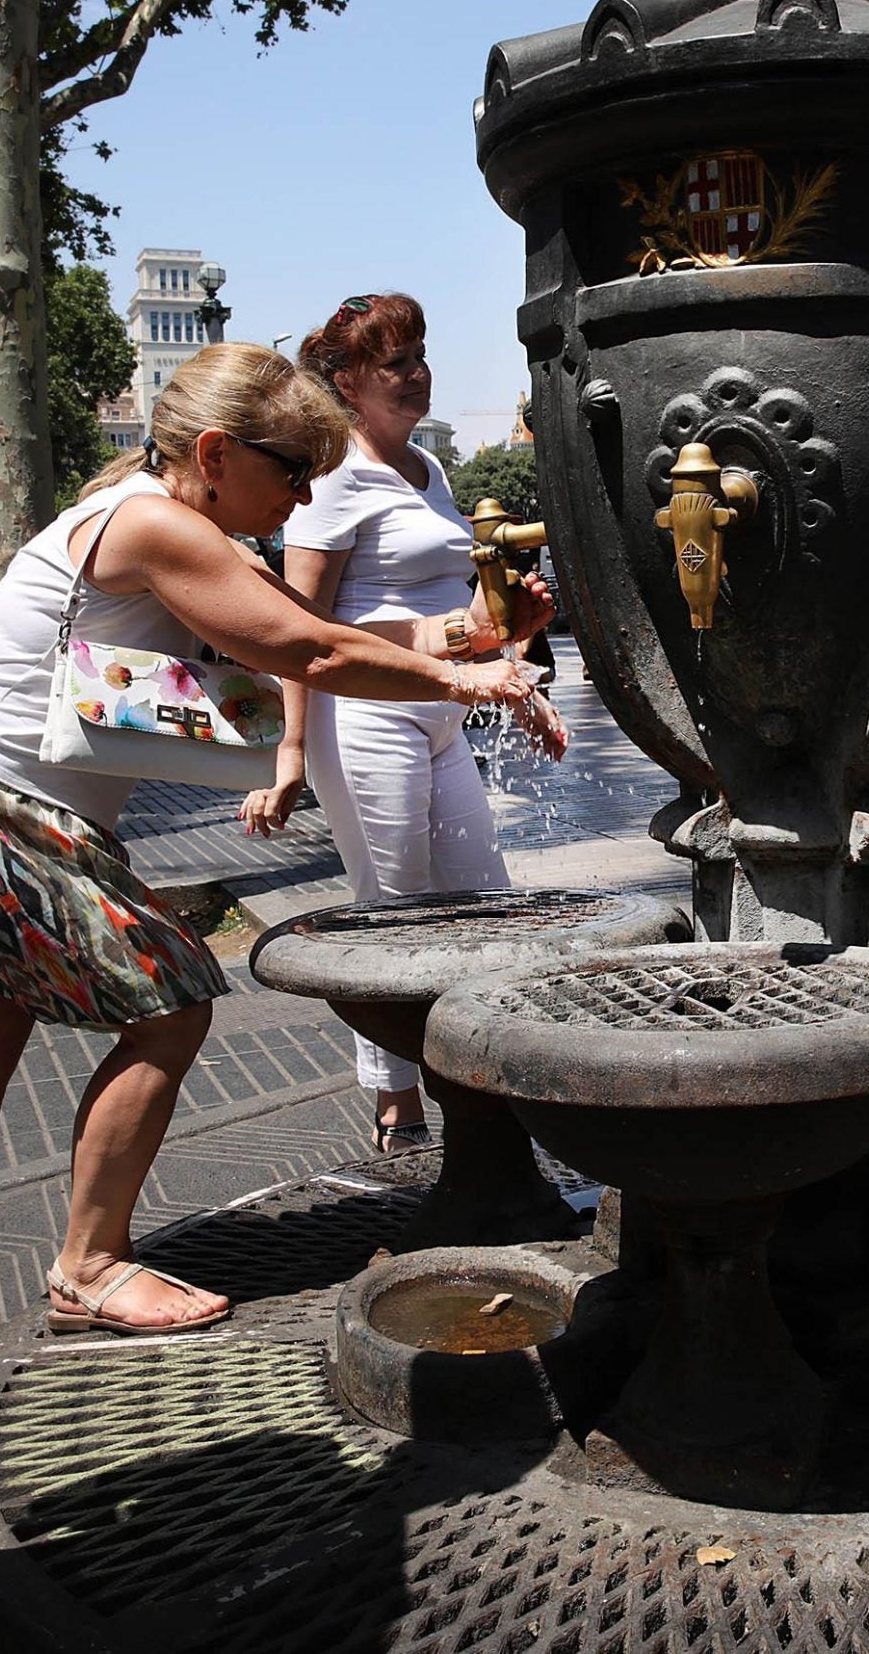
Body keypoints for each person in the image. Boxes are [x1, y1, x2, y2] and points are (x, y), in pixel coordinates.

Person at [0, 345, 533, 1426]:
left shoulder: (167, 518)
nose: (303, 497)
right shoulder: (155, 523)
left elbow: (326, 635)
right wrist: (459, 674)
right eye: (292, 472)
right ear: (215, 454)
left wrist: (479, 635)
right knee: (171, 1006)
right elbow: (305, 651)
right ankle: (86, 1266)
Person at [246, 294, 567, 1150]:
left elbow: (464, 608)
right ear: (347, 381)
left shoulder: (430, 469)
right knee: (394, 914)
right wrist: (288, 752)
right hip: (364, 716)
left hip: (443, 708)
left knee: (481, 902)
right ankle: (399, 1110)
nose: (417, 373)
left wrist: (516, 658)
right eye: (396, 363)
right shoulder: (329, 479)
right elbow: (300, 630)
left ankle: (478, 1094)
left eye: (420, 355)